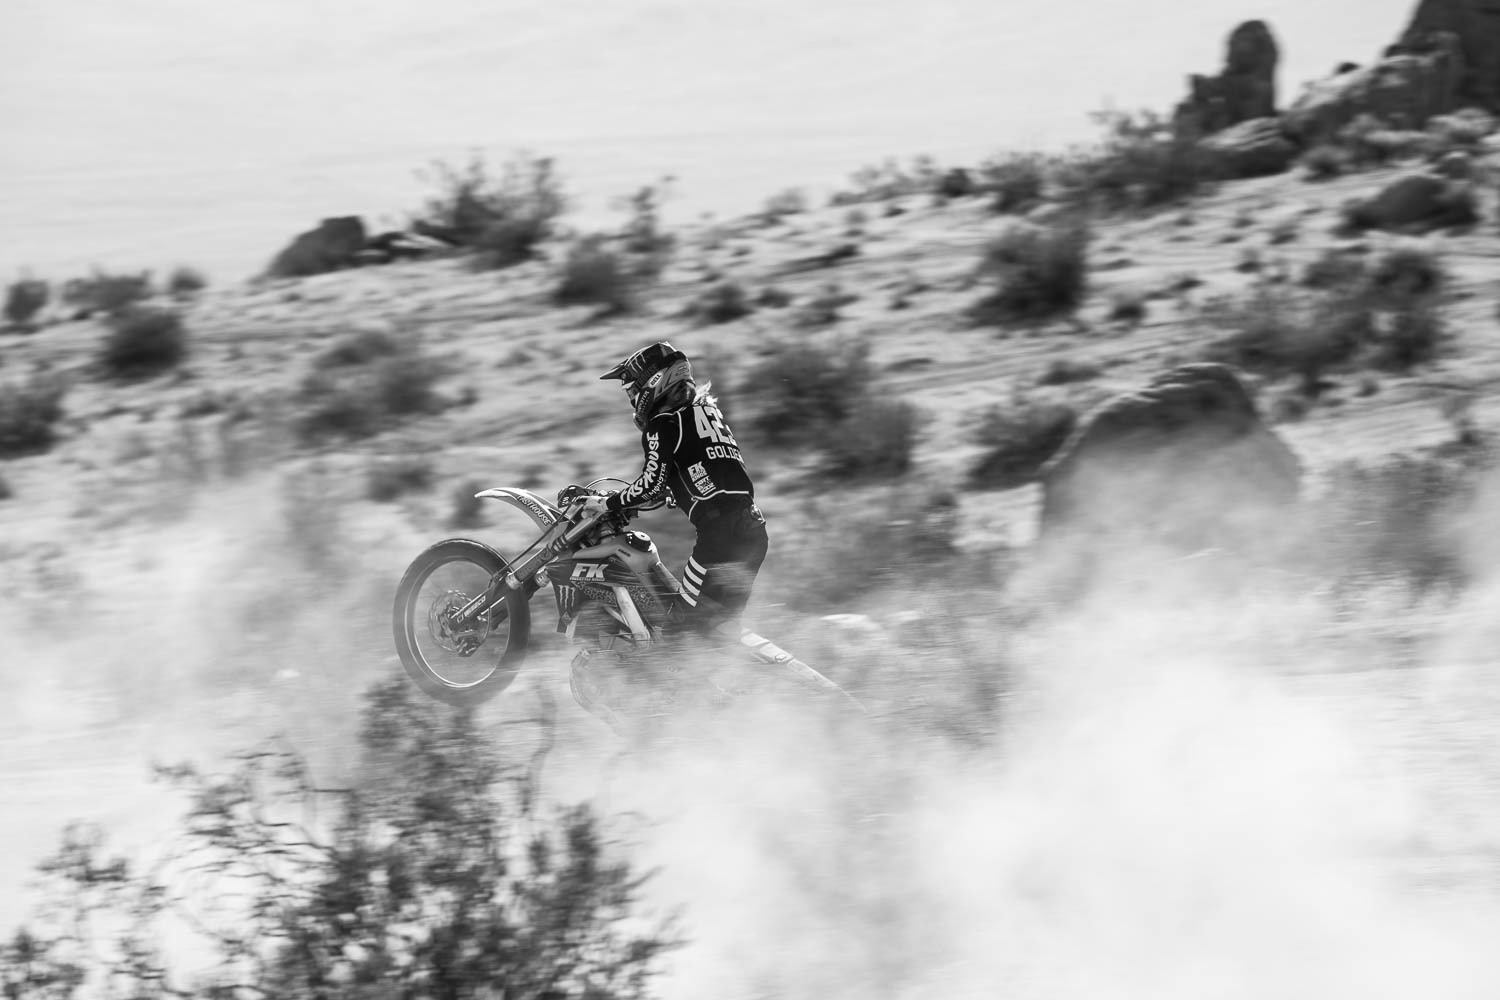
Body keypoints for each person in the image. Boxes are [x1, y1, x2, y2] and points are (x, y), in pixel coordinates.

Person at [581, 341, 768, 640]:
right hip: (753, 530)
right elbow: (709, 466)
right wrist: (674, 492)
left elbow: (651, 483)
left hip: (720, 537)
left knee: (682, 629)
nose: (632, 400)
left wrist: (607, 504)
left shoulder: (662, 423)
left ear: (653, 383)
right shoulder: (706, 412)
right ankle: (734, 669)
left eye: (632, 391)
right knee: (720, 630)